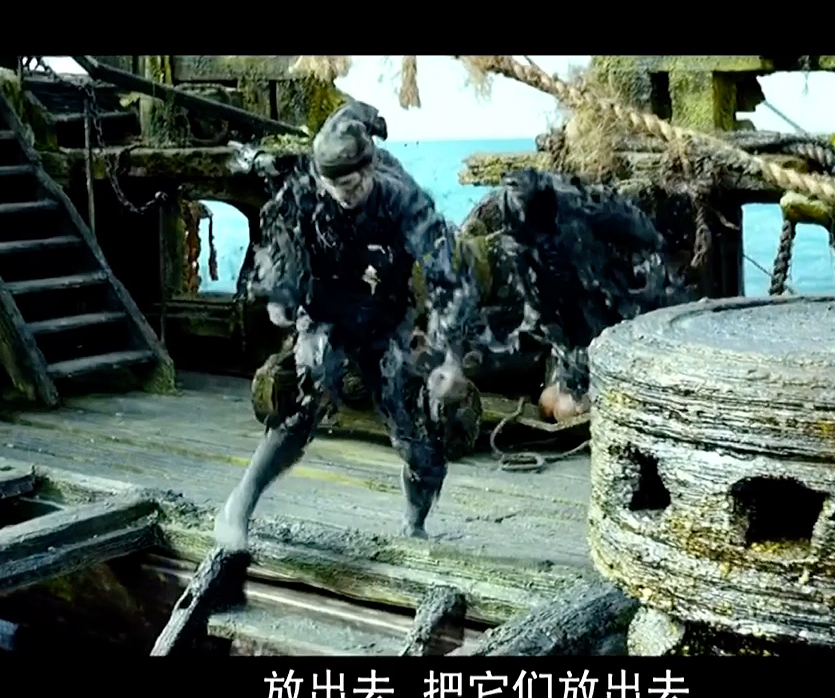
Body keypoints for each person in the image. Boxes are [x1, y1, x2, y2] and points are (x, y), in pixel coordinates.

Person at [217, 100, 481, 560]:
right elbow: (276, 244)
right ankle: (239, 505)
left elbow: (449, 272)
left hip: (386, 318)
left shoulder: (402, 198)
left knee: (419, 433)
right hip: (326, 312)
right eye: (336, 185)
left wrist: (452, 358)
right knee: (303, 399)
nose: (347, 194)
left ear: (371, 168)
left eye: (356, 183)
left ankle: (414, 525)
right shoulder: (303, 193)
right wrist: (281, 295)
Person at [477, 167, 687, 422]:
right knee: (551, 404)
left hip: (633, 311)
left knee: (566, 408)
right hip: (584, 321)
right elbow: (548, 310)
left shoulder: (579, 223)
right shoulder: (523, 245)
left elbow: (600, 301)